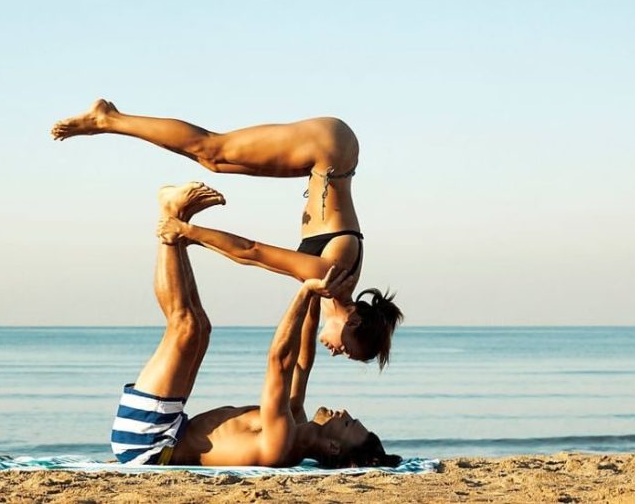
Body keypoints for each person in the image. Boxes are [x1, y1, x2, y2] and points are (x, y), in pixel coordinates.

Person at [52, 100, 403, 367]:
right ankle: (107, 118)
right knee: (211, 148)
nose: (337, 352)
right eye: (347, 347)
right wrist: (190, 232)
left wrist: (296, 409)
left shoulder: (327, 294)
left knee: (213, 161)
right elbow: (252, 251)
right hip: (329, 147)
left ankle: (112, 121)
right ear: (353, 319)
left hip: (329, 158)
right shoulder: (329, 277)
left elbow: (301, 356)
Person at [109, 182, 400, 468]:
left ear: (333, 447)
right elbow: (300, 361)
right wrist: (315, 297)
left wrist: (305, 292)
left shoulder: (282, 442)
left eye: (347, 423)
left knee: (185, 327)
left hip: (149, 440)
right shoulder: (295, 419)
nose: (344, 412)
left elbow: (279, 361)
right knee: (201, 328)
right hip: (170, 428)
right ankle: (178, 222)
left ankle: (169, 226)